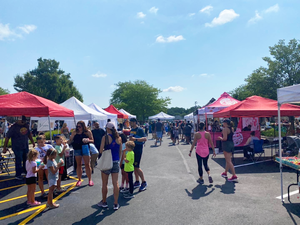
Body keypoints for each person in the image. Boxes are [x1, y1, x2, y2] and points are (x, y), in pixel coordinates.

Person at [97, 122, 122, 210]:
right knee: (116, 183)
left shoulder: (105, 137)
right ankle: (115, 203)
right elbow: (120, 151)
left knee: (105, 183)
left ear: (107, 129)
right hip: (115, 161)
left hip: (107, 161)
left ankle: (104, 202)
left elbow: (100, 150)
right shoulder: (119, 138)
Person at [3, 116, 35, 180]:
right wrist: (5, 147)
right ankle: (18, 174)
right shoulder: (13, 127)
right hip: (17, 147)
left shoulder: (26, 126)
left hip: (25, 146)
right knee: (18, 160)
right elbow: (7, 137)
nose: (23, 122)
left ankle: (25, 171)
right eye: (22, 121)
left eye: (24, 121)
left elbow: (29, 135)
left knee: (26, 160)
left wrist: (33, 142)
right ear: (18, 120)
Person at [68, 121, 94, 187]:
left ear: (83, 126)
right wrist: (65, 142)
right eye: (77, 126)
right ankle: (79, 179)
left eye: (80, 126)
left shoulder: (87, 132)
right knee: (78, 164)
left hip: (85, 147)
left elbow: (92, 140)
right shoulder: (74, 132)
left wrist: (88, 140)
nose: (79, 128)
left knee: (87, 164)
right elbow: (70, 140)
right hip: (77, 148)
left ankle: (90, 179)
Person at [129, 118, 148, 191]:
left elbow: (144, 138)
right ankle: (137, 181)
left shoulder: (139, 129)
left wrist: (135, 139)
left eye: (131, 122)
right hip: (132, 149)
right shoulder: (131, 130)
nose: (130, 123)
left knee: (137, 166)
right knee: (133, 166)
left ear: (134, 122)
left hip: (138, 149)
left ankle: (144, 182)